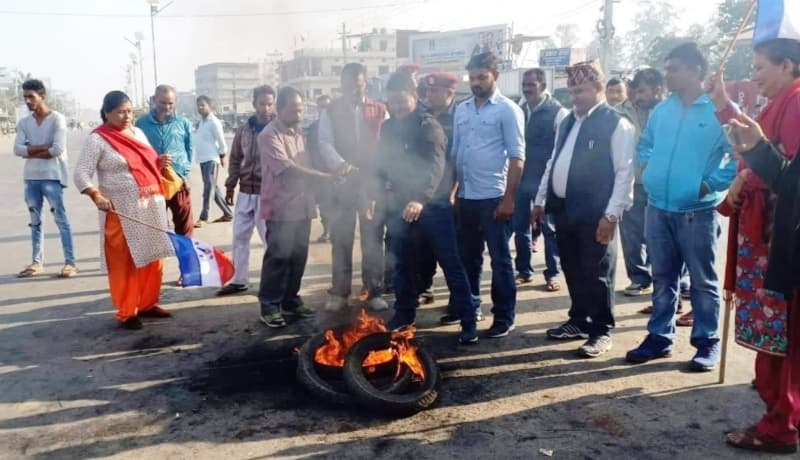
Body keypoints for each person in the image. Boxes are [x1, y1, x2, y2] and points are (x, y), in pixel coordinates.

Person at [712, 38, 800, 454]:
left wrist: (746, 178)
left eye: (761, 66)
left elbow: (787, 174)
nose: (755, 74)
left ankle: (778, 426)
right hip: (764, 235)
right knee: (776, 339)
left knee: (779, 340)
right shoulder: (780, 100)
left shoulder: (797, 102)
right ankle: (780, 413)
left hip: (777, 240)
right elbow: (755, 141)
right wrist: (722, 103)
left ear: (787, 65)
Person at [626, 43, 736, 371]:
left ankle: (707, 342)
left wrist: (708, 185)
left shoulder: (718, 110)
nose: (667, 74)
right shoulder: (663, 110)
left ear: (696, 71)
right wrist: (647, 167)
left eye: (674, 68)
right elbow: (645, 144)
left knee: (702, 281)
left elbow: (737, 156)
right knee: (663, 277)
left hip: (696, 211)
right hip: (658, 207)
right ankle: (659, 337)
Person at [533, 60, 635, 357]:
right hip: (564, 210)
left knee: (598, 272)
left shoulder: (616, 123)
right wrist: (541, 200)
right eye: (572, 90)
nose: (576, 96)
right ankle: (578, 320)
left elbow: (624, 173)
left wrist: (612, 215)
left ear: (599, 88)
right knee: (573, 267)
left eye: (582, 90)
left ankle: (601, 331)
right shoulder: (567, 121)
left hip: (597, 213)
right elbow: (553, 162)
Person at [373, 71, 478, 343]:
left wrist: (420, 198)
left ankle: (468, 321)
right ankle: (404, 314)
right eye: (391, 102)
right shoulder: (388, 128)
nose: (396, 107)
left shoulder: (428, 126)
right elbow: (381, 164)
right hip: (399, 208)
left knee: (451, 264)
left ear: (415, 97)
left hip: (433, 206)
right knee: (402, 264)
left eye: (401, 101)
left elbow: (436, 167)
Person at [74, 91, 174, 330]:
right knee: (124, 261)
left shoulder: (138, 132)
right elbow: (81, 174)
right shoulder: (98, 139)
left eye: (129, 111)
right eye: (120, 111)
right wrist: (96, 194)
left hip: (150, 206)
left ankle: (148, 303)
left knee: (153, 255)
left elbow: (144, 161)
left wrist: (159, 163)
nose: (126, 116)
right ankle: (127, 311)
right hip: (121, 211)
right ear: (107, 113)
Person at [452, 52, 525, 338]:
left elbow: (518, 157)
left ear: (495, 75)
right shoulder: (462, 109)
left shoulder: (507, 110)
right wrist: (455, 192)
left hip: (495, 197)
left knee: (500, 259)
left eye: (482, 77)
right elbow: (457, 154)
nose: (476, 82)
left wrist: (509, 199)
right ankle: (471, 310)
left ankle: (505, 316)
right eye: (472, 78)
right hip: (467, 197)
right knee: (468, 258)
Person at [257, 87, 334, 328]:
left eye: (301, 109)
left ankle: (291, 299)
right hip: (281, 207)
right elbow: (287, 168)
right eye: (294, 109)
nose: (300, 114)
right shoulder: (269, 135)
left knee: (298, 256)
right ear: (280, 110)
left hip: (302, 206)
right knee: (279, 256)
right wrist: (323, 176)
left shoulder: (300, 132)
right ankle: (269, 306)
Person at [618, 69, 692, 316]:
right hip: (640, 185)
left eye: (642, 90)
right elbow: (640, 147)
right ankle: (661, 299)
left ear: (658, 88)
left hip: (671, 191)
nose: (636, 95)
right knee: (643, 241)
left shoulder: (678, 111)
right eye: (635, 90)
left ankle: (679, 295)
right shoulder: (626, 112)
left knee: (670, 248)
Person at [317, 63, 389, 312]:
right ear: (342, 85)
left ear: (365, 82)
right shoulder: (331, 110)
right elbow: (324, 141)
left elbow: (388, 142)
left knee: (372, 239)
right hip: (343, 182)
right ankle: (339, 292)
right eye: (348, 84)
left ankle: (373, 291)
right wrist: (341, 165)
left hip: (372, 184)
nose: (354, 89)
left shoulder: (380, 109)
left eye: (357, 84)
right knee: (341, 238)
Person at [14, 79, 76, 279]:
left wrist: (30, 151)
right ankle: (37, 262)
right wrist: (43, 148)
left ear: (42, 96)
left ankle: (70, 262)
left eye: (31, 96)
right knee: (35, 221)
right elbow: (17, 149)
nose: (28, 101)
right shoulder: (24, 122)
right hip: (31, 177)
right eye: (25, 97)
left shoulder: (57, 119)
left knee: (60, 219)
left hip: (52, 176)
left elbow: (57, 149)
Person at [218, 85, 276, 296]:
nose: (266, 108)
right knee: (240, 236)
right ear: (254, 104)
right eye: (262, 104)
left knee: (270, 240)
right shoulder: (243, 130)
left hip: (267, 193)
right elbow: (235, 159)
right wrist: (231, 186)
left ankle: (273, 283)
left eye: (270, 104)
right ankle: (239, 279)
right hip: (245, 191)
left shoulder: (278, 129)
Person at [513, 68, 567, 290]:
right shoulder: (518, 109)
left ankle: (552, 273)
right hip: (521, 178)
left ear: (543, 87)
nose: (527, 89)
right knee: (520, 226)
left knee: (548, 228)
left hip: (546, 180)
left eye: (531, 85)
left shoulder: (558, 113)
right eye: (524, 85)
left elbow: (561, 149)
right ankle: (524, 271)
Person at [415, 72, 460, 309]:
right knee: (424, 245)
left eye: (435, 91)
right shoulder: (423, 115)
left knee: (452, 250)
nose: (430, 95)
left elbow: (461, 157)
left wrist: (454, 190)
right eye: (429, 91)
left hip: (452, 190)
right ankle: (425, 288)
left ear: (449, 93)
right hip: (428, 190)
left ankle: (458, 300)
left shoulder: (461, 116)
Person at [136, 84, 195, 237]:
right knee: (155, 230)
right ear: (154, 100)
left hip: (179, 183)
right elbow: (137, 154)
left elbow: (189, 151)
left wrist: (183, 174)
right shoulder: (141, 125)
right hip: (153, 183)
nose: (167, 107)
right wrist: (155, 162)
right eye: (163, 103)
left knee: (185, 230)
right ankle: (157, 260)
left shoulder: (183, 123)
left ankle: (186, 260)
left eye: (171, 103)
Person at [194, 95, 232, 228]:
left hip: (211, 159)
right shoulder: (202, 122)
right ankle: (228, 213)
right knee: (213, 189)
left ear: (209, 106)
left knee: (208, 189)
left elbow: (221, 141)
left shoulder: (214, 122)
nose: (200, 108)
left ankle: (203, 217)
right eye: (198, 105)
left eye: (203, 105)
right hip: (203, 159)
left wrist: (222, 156)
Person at [307, 94, 333, 243]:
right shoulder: (313, 128)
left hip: (339, 171)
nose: (324, 110)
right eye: (321, 107)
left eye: (327, 107)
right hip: (321, 173)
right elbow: (310, 150)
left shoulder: (338, 124)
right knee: (324, 204)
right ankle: (327, 231)